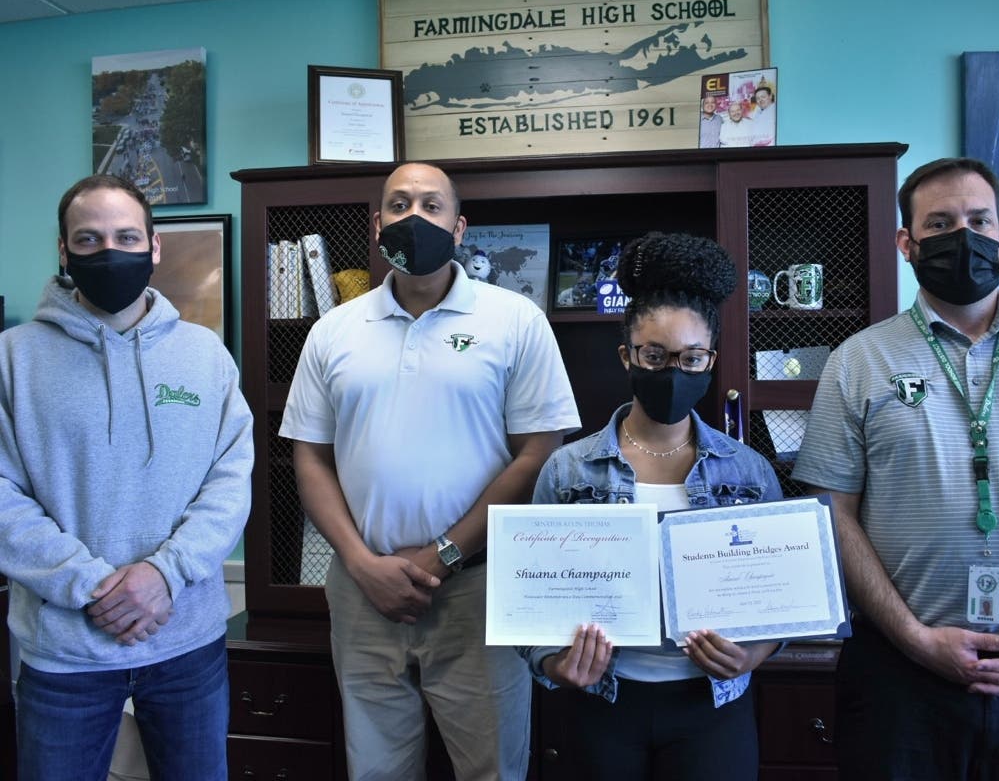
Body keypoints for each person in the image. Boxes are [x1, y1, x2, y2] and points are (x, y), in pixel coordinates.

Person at [279, 161, 581, 781]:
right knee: (377, 770)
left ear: (459, 228)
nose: (413, 216)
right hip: (363, 589)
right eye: (399, 204)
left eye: (431, 205)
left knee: (492, 769)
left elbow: (538, 452)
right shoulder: (333, 331)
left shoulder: (515, 320)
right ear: (378, 225)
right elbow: (310, 456)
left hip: (478, 587)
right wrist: (362, 564)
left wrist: (442, 555)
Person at [792, 157, 999, 780]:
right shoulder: (857, 360)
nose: (963, 237)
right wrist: (914, 639)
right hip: (900, 680)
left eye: (979, 220)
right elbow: (831, 511)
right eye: (940, 224)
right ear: (906, 243)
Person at [0, 174, 254, 781]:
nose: (109, 251)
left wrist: (165, 574)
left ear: (154, 246)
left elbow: (230, 479)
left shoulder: (205, 355)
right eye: (89, 239)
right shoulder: (12, 358)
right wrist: (93, 587)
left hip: (188, 645)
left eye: (126, 237)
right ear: (63, 251)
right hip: (65, 655)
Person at [518, 232, 784, 780]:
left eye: (692, 358)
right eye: (655, 356)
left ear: (710, 360)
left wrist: (753, 653)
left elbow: (782, 597)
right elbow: (525, 600)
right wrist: (554, 662)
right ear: (628, 356)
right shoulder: (568, 470)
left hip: (712, 707)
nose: (673, 373)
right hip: (603, 703)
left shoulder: (749, 471)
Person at [748, 78, 777, 146]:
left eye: (763, 97)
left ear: (770, 96)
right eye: (758, 98)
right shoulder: (758, 110)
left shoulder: (775, 111)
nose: (760, 100)